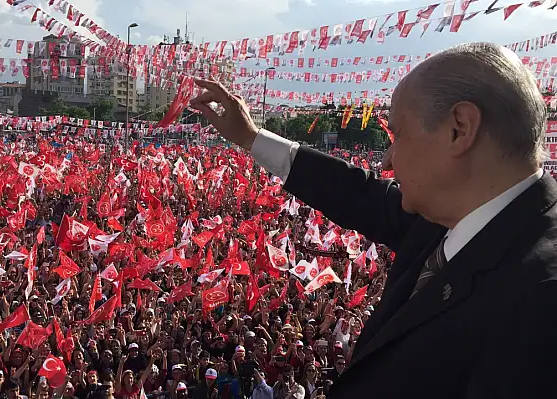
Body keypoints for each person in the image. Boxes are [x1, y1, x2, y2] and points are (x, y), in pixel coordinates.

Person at [189, 42, 557, 398]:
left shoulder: (540, 306)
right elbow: (357, 194)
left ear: (459, 129)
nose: (387, 162)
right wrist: (252, 138)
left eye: (397, 135)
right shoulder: (452, 215)